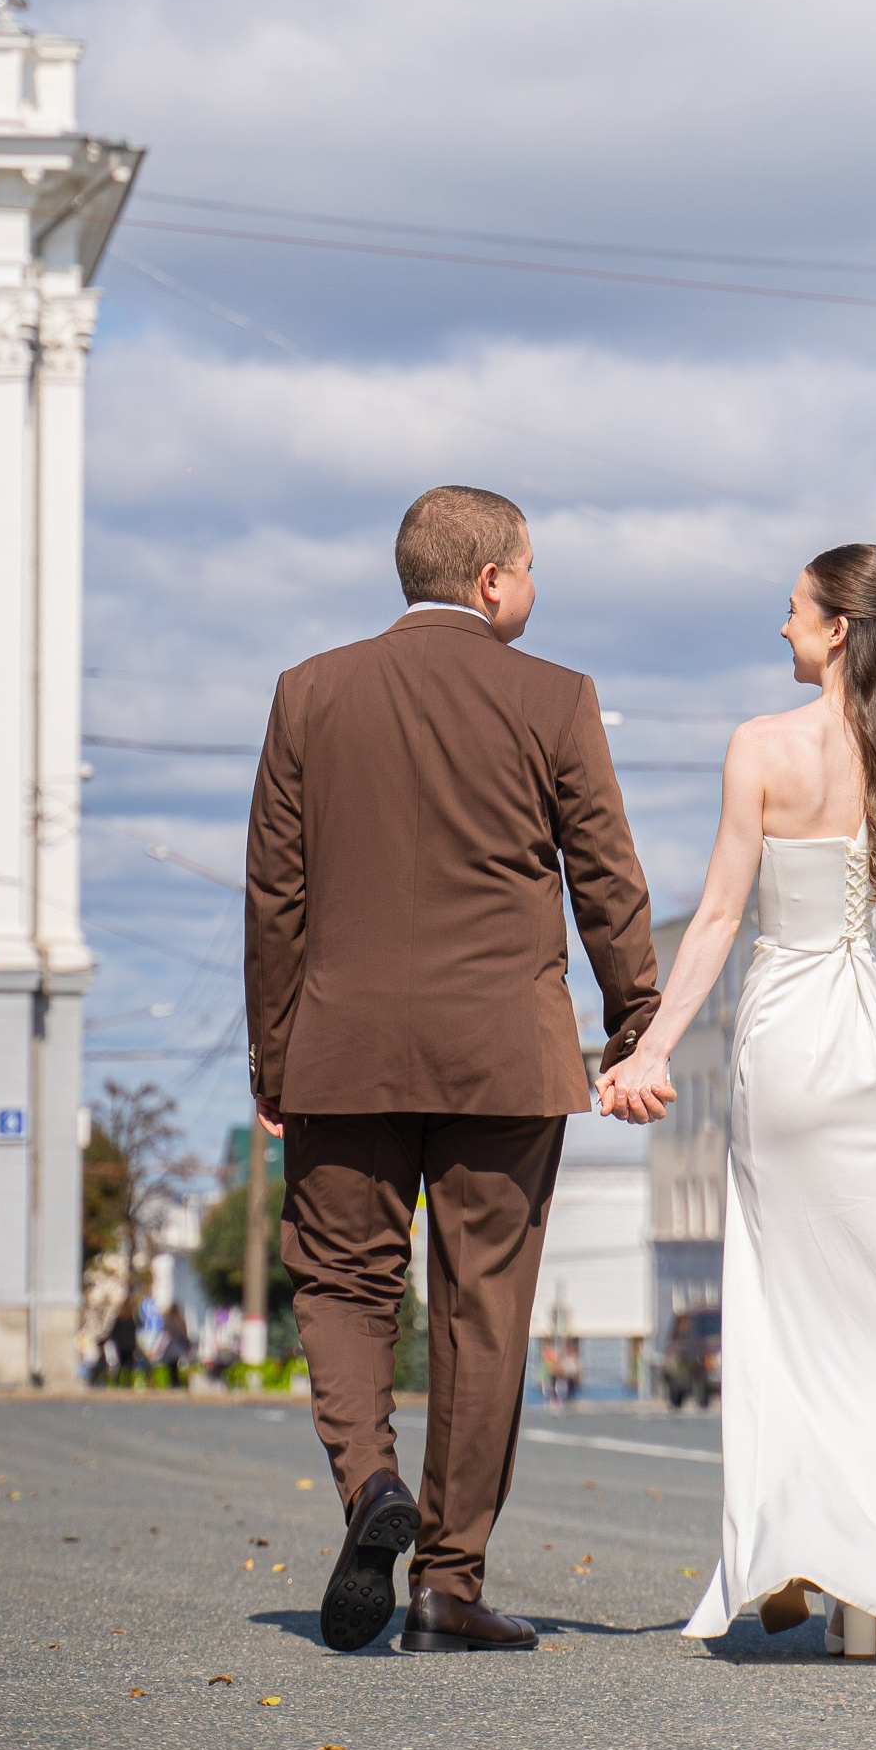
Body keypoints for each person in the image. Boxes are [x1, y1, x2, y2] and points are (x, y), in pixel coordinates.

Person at [601, 544, 876, 1659]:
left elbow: (711, 924)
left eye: (793, 612)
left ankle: (797, 1542)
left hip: (789, 1047)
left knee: (791, 1323)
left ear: (838, 626)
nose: (781, 628)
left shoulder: (758, 748)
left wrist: (649, 1051)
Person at [245, 486, 659, 1655]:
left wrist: (276, 1056)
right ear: (490, 582)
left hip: (342, 1045)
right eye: (529, 568)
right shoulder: (555, 697)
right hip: (504, 1057)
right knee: (486, 1309)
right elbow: (606, 878)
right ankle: (446, 1580)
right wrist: (634, 1017)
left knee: (340, 1282)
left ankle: (368, 1482)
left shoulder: (307, 693)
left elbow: (276, 895)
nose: (534, 587)